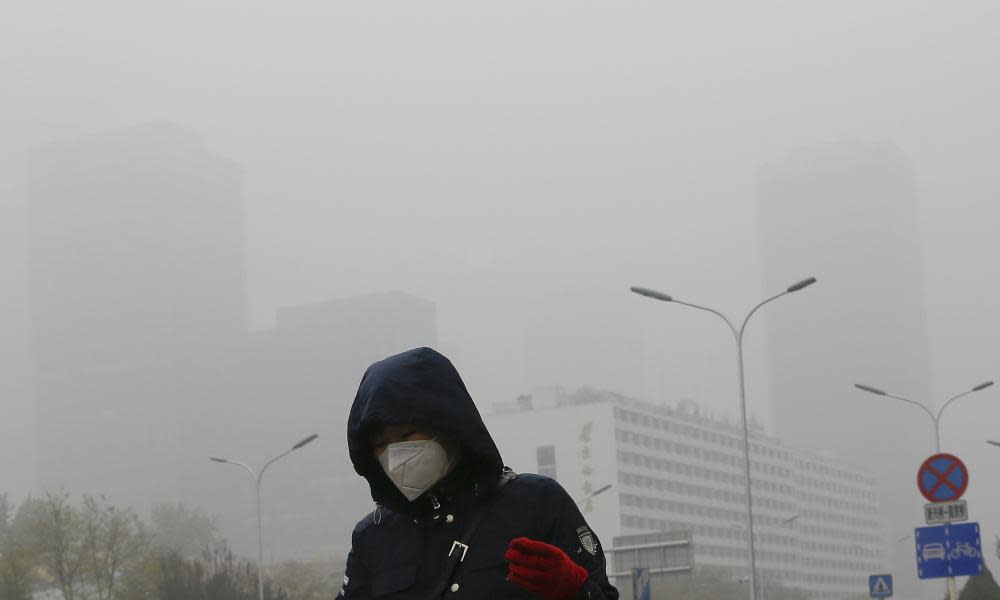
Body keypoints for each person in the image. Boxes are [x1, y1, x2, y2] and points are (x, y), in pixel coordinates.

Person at [337, 347, 618, 599]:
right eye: (379, 444)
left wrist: (577, 592)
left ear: (446, 423)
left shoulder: (537, 503)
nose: (394, 454)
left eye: (404, 435)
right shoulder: (373, 535)